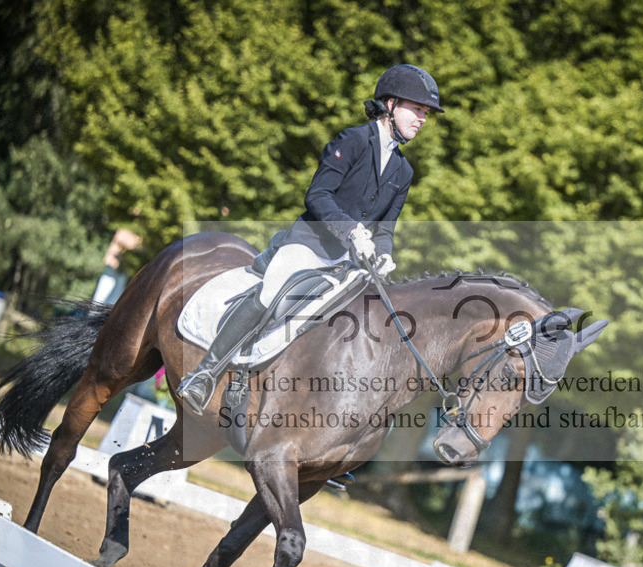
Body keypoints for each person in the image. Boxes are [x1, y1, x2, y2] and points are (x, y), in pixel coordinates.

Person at [177, 64, 444, 415]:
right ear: (390, 105)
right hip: (310, 245)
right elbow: (318, 196)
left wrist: (383, 253)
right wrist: (350, 231)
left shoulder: (404, 171)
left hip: (349, 264)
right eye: (417, 109)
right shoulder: (351, 141)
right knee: (273, 292)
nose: (423, 119)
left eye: (426, 113)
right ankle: (205, 373)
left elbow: (386, 229)